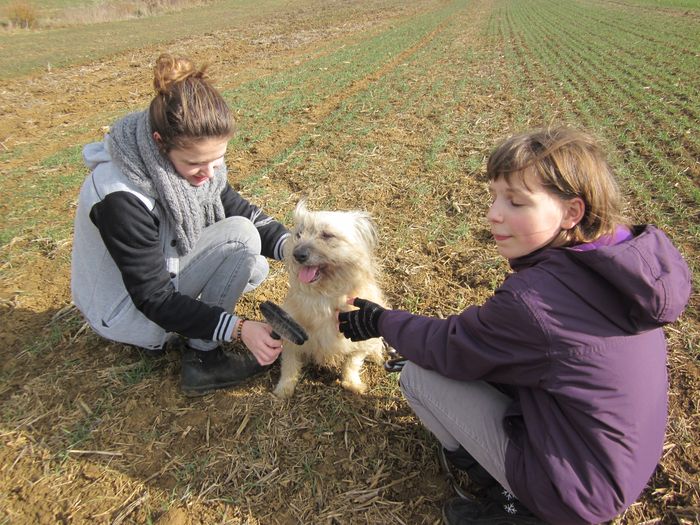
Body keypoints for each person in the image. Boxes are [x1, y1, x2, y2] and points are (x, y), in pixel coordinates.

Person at [338, 127, 692, 524]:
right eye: (494, 196)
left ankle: (514, 501)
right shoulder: (619, 261)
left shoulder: (536, 302)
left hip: (575, 492)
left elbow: (452, 347)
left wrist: (381, 320)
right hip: (616, 465)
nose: (494, 214)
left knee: (420, 376)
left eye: (517, 202)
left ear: (572, 212)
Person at [71, 54, 289, 396]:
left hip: (164, 272)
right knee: (239, 241)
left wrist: (293, 248)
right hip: (123, 310)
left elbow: (230, 204)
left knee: (254, 265)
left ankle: (200, 323)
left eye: (217, 160)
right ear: (160, 142)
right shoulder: (120, 197)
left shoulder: (183, 161)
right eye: (196, 164)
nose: (209, 174)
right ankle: (203, 361)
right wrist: (239, 328)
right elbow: (154, 297)